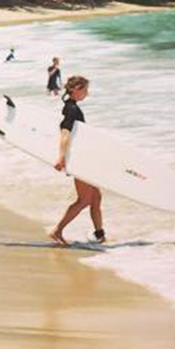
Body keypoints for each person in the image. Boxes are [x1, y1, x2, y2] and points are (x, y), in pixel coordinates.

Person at [46, 76, 103, 246]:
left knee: (96, 197)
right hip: (78, 161)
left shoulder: (72, 106)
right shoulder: (71, 109)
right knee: (84, 200)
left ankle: (100, 235)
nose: (87, 93)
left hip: (83, 158)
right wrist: (61, 157)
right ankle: (57, 231)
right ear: (76, 89)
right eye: (85, 90)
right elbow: (65, 132)